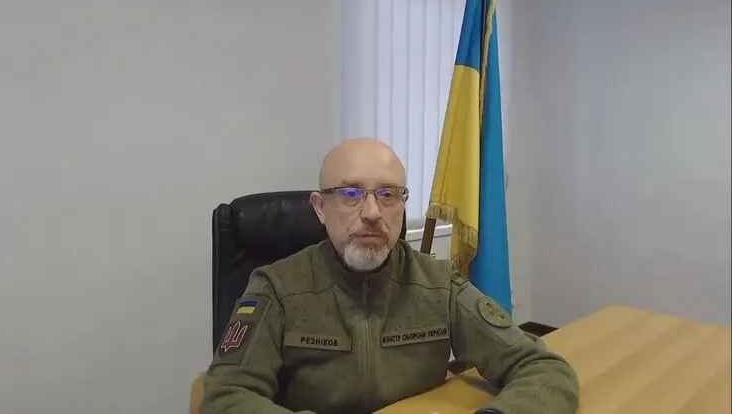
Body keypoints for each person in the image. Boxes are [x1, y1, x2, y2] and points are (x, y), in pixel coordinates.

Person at [201, 138, 579, 414]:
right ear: (320, 207)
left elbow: (541, 368)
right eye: (350, 193)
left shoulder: (438, 284)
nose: (371, 212)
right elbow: (226, 396)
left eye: (388, 195)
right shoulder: (277, 288)